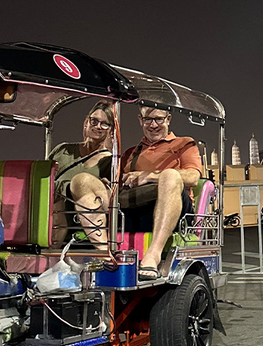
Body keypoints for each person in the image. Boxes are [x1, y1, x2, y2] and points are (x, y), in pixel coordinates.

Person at [120, 106, 202, 280]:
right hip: (136, 211)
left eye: (159, 119)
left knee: (170, 175)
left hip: (176, 211)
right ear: (140, 120)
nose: (153, 125)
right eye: (148, 119)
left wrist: (149, 176)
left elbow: (193, 177)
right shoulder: (130, 153)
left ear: (168, 119)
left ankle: (154, 254)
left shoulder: (184, 144)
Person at [49, 100, 114, 247]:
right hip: (49, 212)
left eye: (104, 124)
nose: (98, 126)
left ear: (111, 130)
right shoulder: (63, 150)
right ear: (86, 121)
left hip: (75, 220)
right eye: (94, 121)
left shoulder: (109, 161)